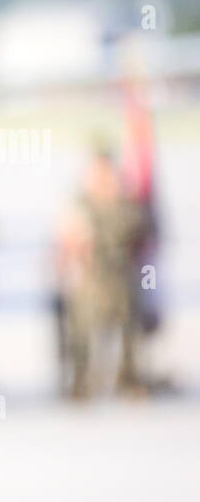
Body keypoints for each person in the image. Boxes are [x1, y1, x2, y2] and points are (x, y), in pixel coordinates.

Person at [56, 147, 153, 398]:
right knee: (81, 331)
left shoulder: (129, 205)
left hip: (122, 281)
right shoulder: (78, 205)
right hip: (89, 283)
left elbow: (144, 237)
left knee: (129, 328)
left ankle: (129, 379)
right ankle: (81, 381)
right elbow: (66, 243)